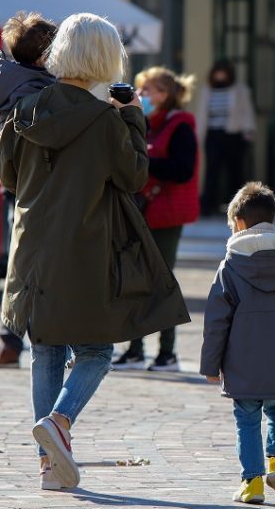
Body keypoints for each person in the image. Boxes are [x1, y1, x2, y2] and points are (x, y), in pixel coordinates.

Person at [0, 13, 190, 491]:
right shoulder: (104, 117)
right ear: (106, 58)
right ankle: (59, 422)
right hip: (85, 247)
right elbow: (134, 177)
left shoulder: (26, 107)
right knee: (97, 350)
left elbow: (8, 177)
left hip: (33, 245)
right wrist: (133, 113)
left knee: (46, 349)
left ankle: (49, 466)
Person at [200, 182, 275, 504]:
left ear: (238, 222)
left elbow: (216, 321)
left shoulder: (231, 266)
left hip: (243, 362)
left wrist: (210, 366)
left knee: (248, 419)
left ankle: (252, 482)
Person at [111, 66, 199, 372]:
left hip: (166, 214)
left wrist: (145, 161)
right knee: (135, 281)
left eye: (149, 90)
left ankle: (167, 353)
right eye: (141, 90)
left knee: (161, 282)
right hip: (141, 211)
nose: (143, 96)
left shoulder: (180, 125)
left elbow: (182, 169)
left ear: (166, 94)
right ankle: (135, 350)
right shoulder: (144, 122)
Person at [0, 11, 57, 369]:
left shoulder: (10, 80)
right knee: (31, 266)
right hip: (40, 188)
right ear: (44, 56)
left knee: (22, 263)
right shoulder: (38, 91)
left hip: (18, 186)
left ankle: (12, 342)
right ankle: (21, 341)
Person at [196, 60, 257, 216]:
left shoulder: (239, 89)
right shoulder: (207, 90)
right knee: (212, 171)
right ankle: (209, 206)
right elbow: (202, 114)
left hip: (233, 135)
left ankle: (239, 206)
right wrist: (198, 135)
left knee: (235, 172)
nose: (220, 75)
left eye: (223, 72)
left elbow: (246, 110)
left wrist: (248, 130)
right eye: (218, 72)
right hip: (213, 134)